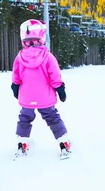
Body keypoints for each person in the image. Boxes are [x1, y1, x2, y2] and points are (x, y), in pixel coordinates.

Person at [11, 19, 71, 159]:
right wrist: (60, 89)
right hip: (45, 97)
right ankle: (63, 142)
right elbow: (55, 76)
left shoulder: (19, 58)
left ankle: (22, 144)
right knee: (52, 118)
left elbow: (16, 76)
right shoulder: (48, 57)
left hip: (27, 97)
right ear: (42, 37)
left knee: (25, 118)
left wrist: (15, 88)